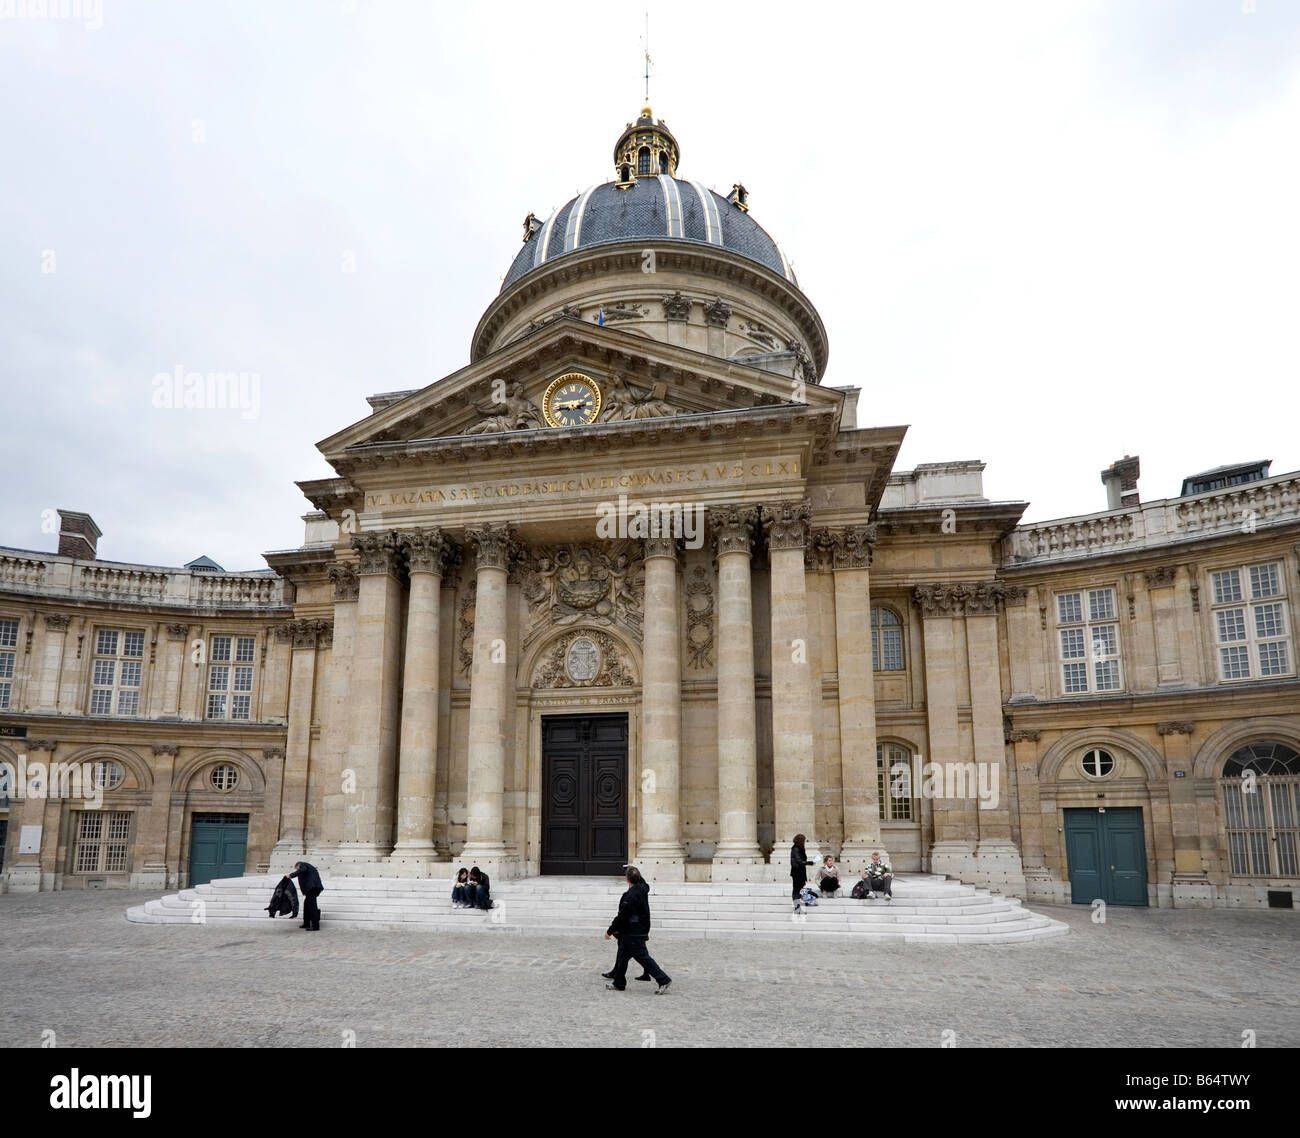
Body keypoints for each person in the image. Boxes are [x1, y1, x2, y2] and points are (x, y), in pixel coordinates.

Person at [603, 867, 671, 994]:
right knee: (622, 955)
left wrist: (610, 931)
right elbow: (644, 882)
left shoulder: (631, 896)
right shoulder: (643, 888)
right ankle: (619, 983)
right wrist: (634, 870)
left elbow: (622, 916)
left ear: (627, 879)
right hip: (637, 929)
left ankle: (663, 979)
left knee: (643, 957)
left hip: (634, 931)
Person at [287, 860, 324, 930]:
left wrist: (290, 875)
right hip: (312, 888)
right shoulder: (307, 867)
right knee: (306, 906)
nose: (298, 870)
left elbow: (302, 870)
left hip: (312, 888)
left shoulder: (303, 865)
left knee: (312, 907)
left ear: (298, 865)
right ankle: (306, 923)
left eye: (297, 869)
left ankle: (315, 926)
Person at [790, 833, 814, 912]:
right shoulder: (796, 849)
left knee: (798, 889)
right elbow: (799, 861)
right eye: (803, 840)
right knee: (796, 890)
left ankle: (798, 906)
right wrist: (810, 862)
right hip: (797, 872)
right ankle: (797, 908)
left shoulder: (799, 848)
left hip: (799, 872)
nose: (804, 842)